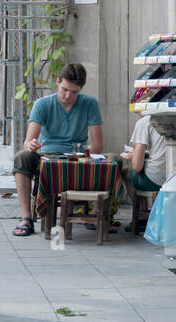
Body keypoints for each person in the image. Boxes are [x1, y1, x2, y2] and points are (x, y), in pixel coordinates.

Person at [12, 63, 103, 238]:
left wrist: (86, 154)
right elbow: (28, 141)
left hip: (78, 157)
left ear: (81, 89)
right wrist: (32, 145)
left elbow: (98, 145)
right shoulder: (43, 104)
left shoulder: (90, 103)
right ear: (57, 82)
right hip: (47, 156)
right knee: (21, 158)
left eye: (74, 92)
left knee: (115, 159)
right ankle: (26, 217)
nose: (68, 96)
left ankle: (98, 214)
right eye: (64, 90)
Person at [125, 113, 168, 194]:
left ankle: (139, 205)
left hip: (155, 180)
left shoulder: (145, 121)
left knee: (126, 172)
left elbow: (137, 166)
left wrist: (132, 157)